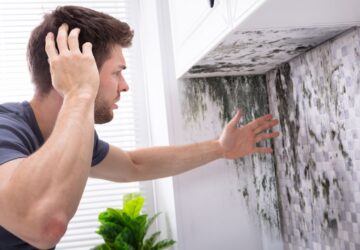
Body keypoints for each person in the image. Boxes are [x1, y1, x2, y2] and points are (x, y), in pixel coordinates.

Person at [0, 6, 279, 250]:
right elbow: (45, 225)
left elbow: (135, 165)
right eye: (116, 72)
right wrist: (80, 93)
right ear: (77, 70)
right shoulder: (6, 130)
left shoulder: (68, 138)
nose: (124, 85)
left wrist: (220, 148)